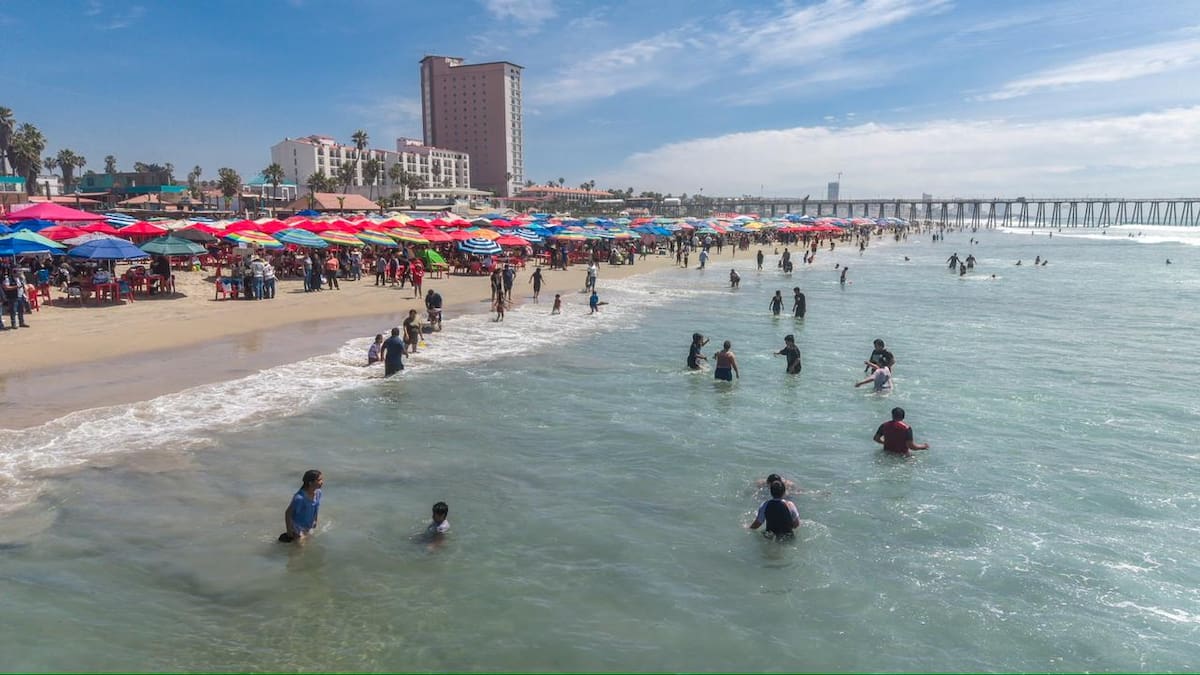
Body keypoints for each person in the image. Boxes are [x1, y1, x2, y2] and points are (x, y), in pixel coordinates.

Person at [280, 469, 323, 543]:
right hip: (297, 526)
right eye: (319, 480)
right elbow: (288, 513)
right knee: (300, 547)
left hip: (308, 525)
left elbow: (316, 507)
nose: (322, 482)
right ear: (310, 482)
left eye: (322, 479)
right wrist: (289, 532)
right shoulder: (299, 498)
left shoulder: (318, 493)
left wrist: (315, 520)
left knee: (308, 541)